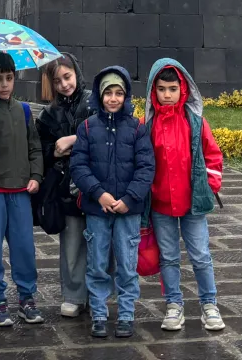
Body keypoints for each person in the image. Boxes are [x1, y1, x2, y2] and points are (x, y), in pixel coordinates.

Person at [68, 66, 154, 340]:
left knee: (128, 265)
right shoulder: (87, 127)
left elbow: (146, 168)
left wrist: (129, 199)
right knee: (97, 264)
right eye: (108, 93)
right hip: (97, 208)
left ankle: (126, 313)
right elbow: (79, 167)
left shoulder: (138, 128)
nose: (114, 98)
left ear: (126, 95)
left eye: (119, 93)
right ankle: (99, 314)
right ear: (99, 95)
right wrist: (99, 194)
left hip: (128, 211)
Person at [144, 59, 226, 332]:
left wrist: (210, 187)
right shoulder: (147, 125)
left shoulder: (195, 122)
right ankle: (173, 304)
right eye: (161, 89)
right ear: (153, 91)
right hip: (160, 204)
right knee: (168, 257)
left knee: (201, 255)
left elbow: (212, 156)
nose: (167, 95)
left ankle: (209, 303)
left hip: (193, 204)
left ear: (184, 90)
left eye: (172, 89)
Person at [0, 50, 43, 327]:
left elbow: (34, 147)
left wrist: (36, 175)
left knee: (24, 246)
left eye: (9, 78)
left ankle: (27, 297)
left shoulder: (24, 111)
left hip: (20, 191)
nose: (4, 84)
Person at [36, 53, 93, 318]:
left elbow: (107, 132)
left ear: (77, 73)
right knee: (71, 242)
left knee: (101, 241)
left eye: (67, 77)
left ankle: (99, 292)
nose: (64, 85)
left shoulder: (95, 102)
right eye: (57, 81)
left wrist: (74, 138)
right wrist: (55, 152)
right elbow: (40, 149)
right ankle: (73, 294)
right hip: (65, 186)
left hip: (96, 183)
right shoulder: (49, 114)